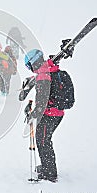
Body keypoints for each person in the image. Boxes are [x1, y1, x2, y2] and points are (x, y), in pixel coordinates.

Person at [21, 49, 63, 182]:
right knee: (44, 140)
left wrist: (32, 115)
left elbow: (42, 102)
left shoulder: (43, 76)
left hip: (50, 114)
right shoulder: (46, 69)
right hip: (53, 113)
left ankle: (50, 173)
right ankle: (46, 167)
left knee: (43, 141)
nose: (29, 69)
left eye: (29, 65)